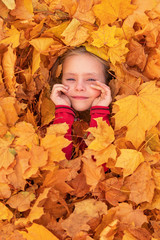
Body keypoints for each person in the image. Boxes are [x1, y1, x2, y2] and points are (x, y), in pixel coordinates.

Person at [50, 46, 112, 171]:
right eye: (71, 79)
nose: (79, 87)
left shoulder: (120, 120)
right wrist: (63, 113)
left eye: (90, 79)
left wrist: (100, 113)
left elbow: (98, 172)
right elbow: (54, 169)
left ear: (107, 82)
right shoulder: (45, 116)